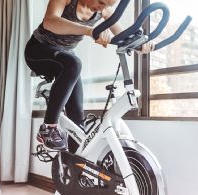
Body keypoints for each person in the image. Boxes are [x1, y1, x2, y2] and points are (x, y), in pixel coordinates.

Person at [25, 0, 154, 152]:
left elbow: (123, 37)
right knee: (75, 64)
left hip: (66, 59)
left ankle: (75, 163)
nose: (102, 8)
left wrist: (140, 45)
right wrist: (89, 30)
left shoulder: (103, 10)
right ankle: (48, 128)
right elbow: (50, 22)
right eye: (101, 2)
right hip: (39, 51)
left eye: (107, 6)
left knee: (77, 118)